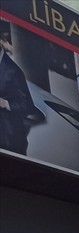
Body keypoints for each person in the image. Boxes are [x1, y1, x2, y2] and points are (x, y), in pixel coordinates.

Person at [0, 22, 38, 155]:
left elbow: (27, 106)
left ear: (1, 41)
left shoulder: (14, 71)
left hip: (8, 144)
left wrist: (5, 103)